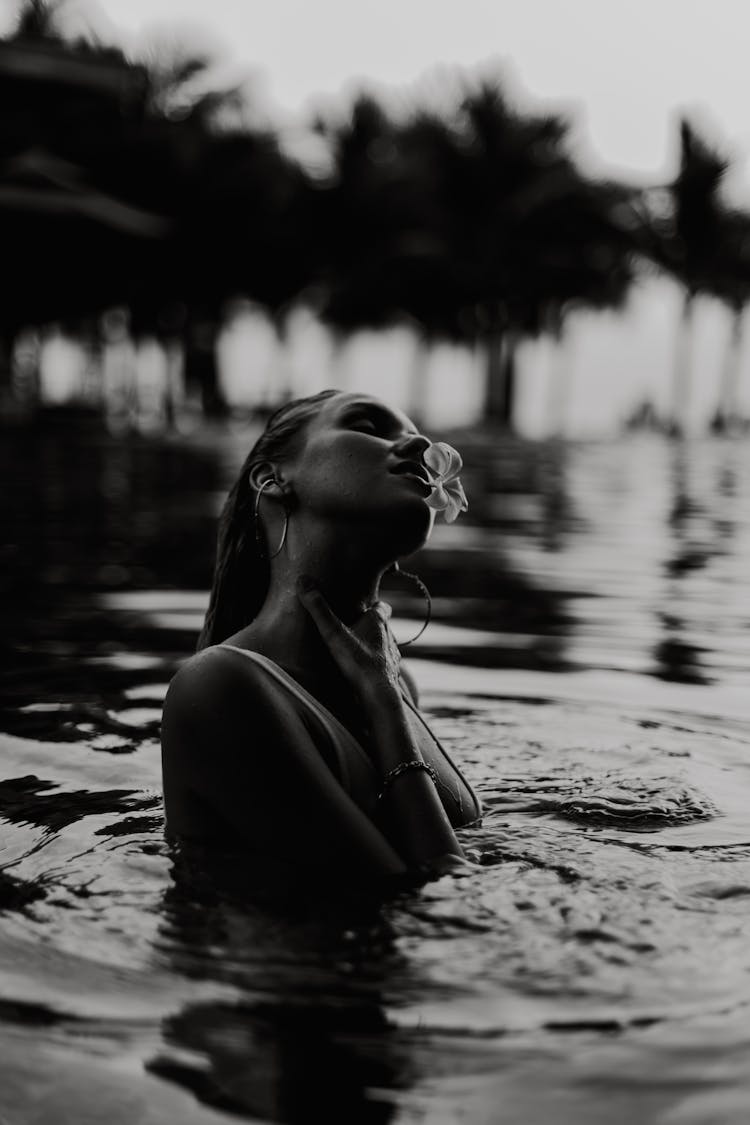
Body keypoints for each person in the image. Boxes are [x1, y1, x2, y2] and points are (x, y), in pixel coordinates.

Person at [161, 389, 481, 890]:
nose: (420, 442)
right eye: (369, 427)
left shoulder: (398, 686)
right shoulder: (219, 688)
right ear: (273, 479)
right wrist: (382, 704)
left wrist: (385, 694)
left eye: (411, 432)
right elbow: (427, 899)